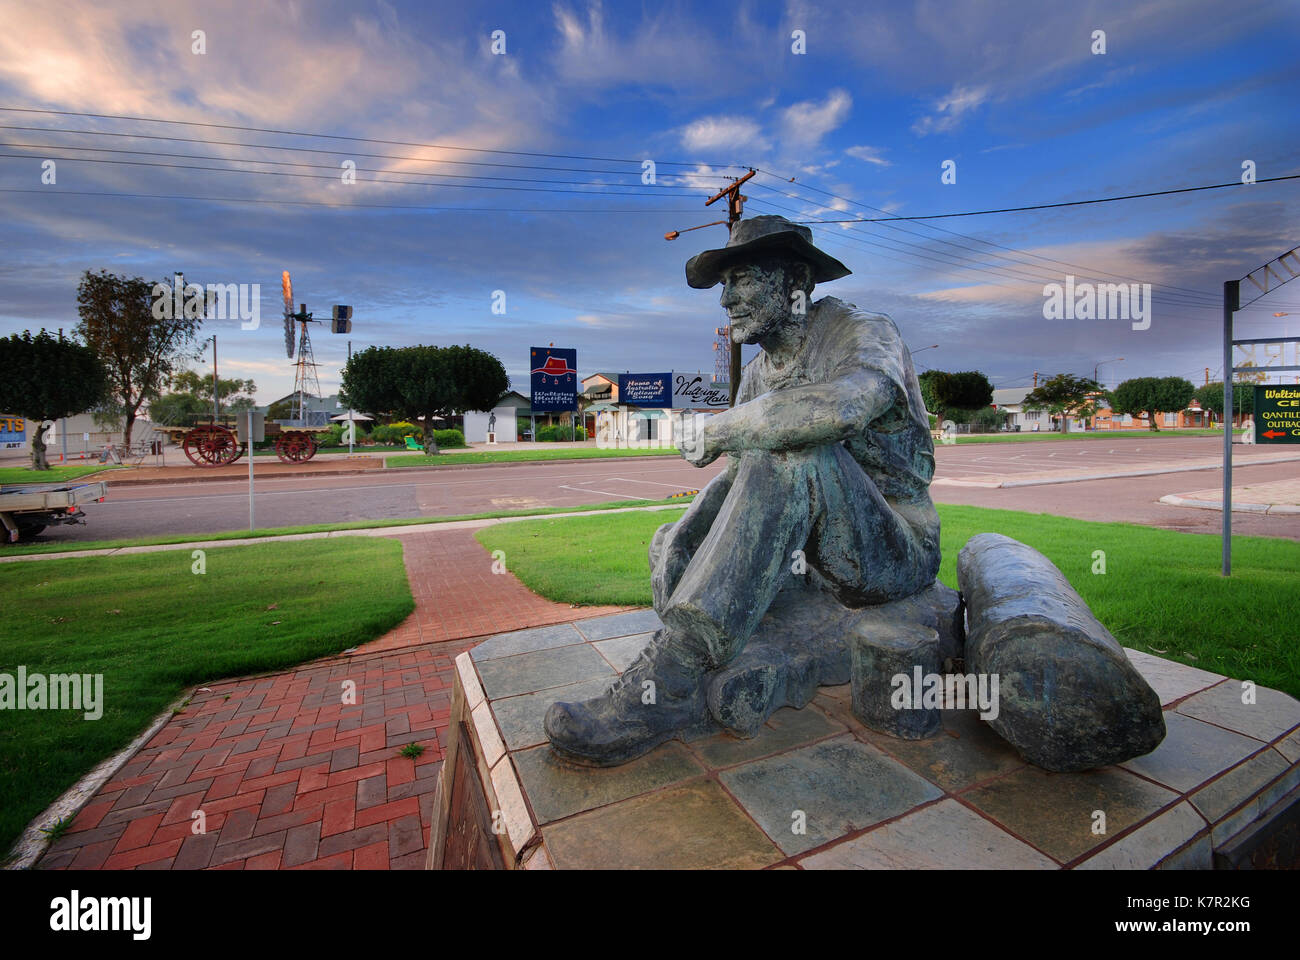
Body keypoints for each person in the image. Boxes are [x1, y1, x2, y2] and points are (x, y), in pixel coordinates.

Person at [546, 216, 942, 765]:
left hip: (894, 549)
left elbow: (848, 405)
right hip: (815, 562)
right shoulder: (757, 373)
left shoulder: (863, 331)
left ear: (795, 282)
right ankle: (697, 644)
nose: (727, 298)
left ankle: (669, 684)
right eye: (725, 284)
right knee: (676, 536)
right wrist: (689, 533)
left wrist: (722, 428)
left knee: (795, 447)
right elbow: (739, 476)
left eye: (744, 278)